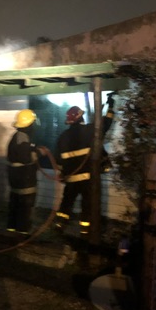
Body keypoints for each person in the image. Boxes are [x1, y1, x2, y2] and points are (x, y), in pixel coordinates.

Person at [55, 94, 115, 236]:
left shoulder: (63, 137)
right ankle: (85, 230)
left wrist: (63, 173)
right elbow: (106, 124)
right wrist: (111, 107)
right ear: (81, 118)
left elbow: (58, 161)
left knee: (66, 202)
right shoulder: (89, 130)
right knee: (87, 205)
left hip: (71, 178)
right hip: (88, 178)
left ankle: (59, 225)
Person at [6, 109, 45, 234]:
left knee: (15, 204)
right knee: (25, 206)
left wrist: (34, 149)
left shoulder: (19, 136)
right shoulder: (22, 138)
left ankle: (11, 231)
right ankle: (22, 233)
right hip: (24, 178)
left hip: (17, 177)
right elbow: (25, 157)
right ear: (29, 124)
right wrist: (40, 153)